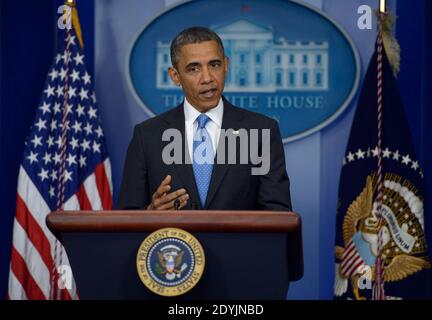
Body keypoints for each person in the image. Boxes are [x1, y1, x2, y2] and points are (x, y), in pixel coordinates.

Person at [118, 26, 292, 211]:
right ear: (175, 76)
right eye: (194, 69)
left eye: (214, 65)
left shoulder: (260, 132)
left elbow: (278, 214)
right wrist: (150, 214)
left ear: (226, 66)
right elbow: (128, 216)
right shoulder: (146, 136)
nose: (207, 78)